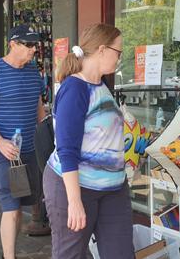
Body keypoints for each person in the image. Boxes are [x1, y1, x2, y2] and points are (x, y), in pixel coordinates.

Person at [44, 24, 134, 259]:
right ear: (103, 50)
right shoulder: (74, 88)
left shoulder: (101, 85)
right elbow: (67, 150)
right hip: (74, 187)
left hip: (113, 189)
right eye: (118, 52)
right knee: (71, 254)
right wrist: (74, 202)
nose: (119, 59)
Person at [0, 24, 47, 259]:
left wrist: (49, 136)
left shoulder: (33, 72)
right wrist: (0, 142)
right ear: (12, 44)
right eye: (28, 45)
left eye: (35, 45)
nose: (33, 49)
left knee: (21, 206)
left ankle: (11, 252)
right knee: (11, 206)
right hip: (2, 152)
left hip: (28, 150)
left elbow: (38, 110)